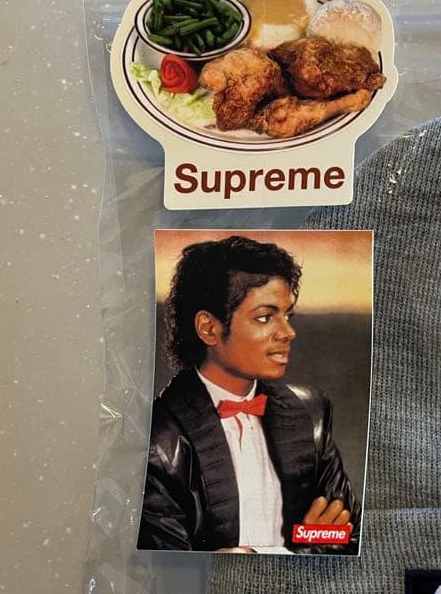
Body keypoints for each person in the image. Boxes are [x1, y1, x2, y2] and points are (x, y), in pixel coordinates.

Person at [139, 235, 359, 553]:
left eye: (287, 316)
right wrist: (306, 544)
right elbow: (170, 567)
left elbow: (348, 539)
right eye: (265, 317)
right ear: (209, 328)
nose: (288, 332)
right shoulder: (159, 439)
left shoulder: (310, 413)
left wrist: (258, 556)